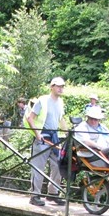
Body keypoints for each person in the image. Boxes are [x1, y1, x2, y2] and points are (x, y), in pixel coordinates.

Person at [25, 77, 68, 206]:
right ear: (52, 87)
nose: (61, 88)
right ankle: (35, 195)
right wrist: (37, 134)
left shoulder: (60, 102)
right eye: (58, 86)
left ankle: (53, 193)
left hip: (54, 138)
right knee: (38, 167)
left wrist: (68, 132)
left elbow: (61, 119)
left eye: (62, 86)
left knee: (58, 166)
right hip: (43, 137)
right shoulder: (42, 101)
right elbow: (30, 117)